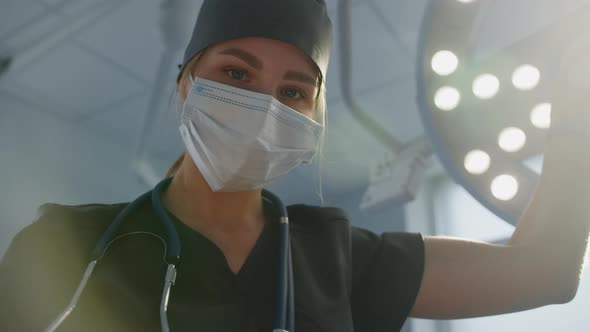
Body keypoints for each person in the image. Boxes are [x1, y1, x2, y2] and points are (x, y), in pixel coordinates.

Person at [1, 0, 588, 331]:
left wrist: (576, 111)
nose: (263, 108)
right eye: (236, 74)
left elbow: (544, 272)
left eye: (293, 92)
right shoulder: (66, 245)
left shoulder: (335, 258)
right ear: (185, 84)